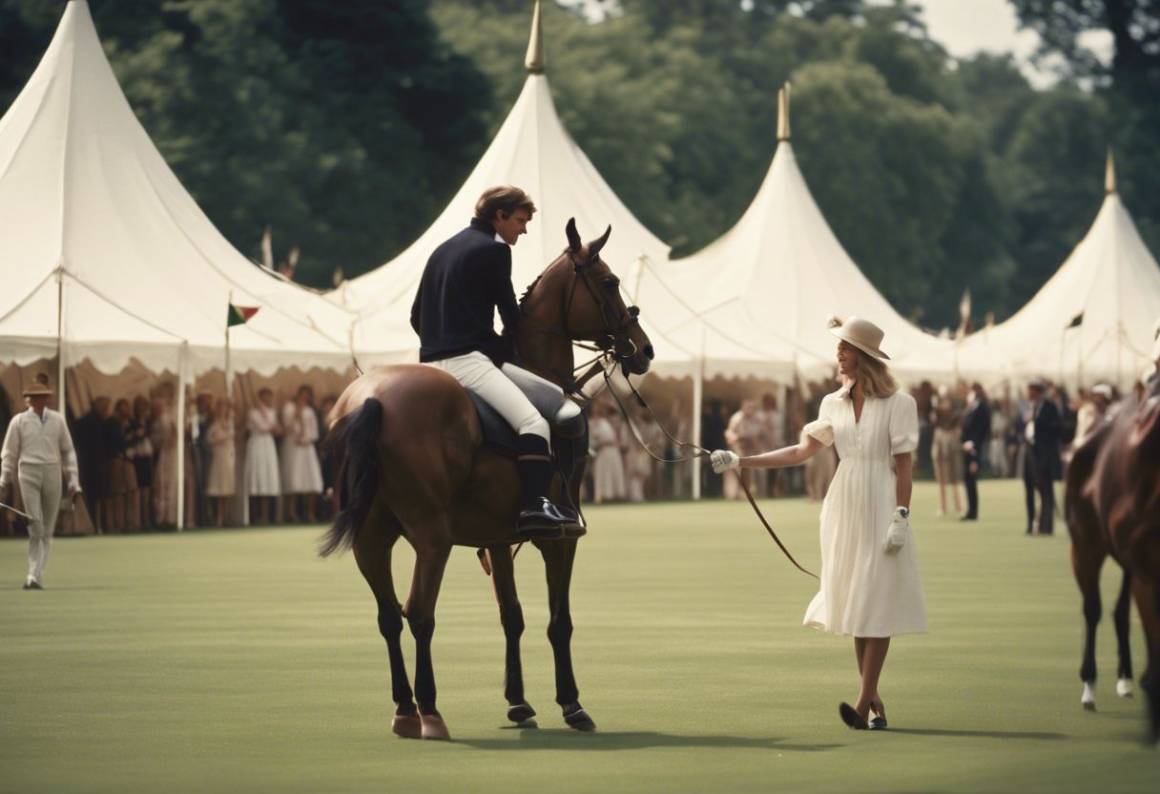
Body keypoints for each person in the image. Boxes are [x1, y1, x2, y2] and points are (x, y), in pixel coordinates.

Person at [710, 317, 925, 730]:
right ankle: (873, 697)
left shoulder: (900, 404)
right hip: (844, 502)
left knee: (876, 596)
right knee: (857, 598)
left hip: (881, 501)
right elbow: (799, 451)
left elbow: (904, 467)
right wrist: (741, 461)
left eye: (845, 347)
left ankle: (862, 704)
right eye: (839, 347)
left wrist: (902, 514)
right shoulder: (832, 403)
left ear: (862, 356)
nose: (838, 353)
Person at [409, 185, 580, 539]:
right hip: (468, 363)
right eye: (520, 220)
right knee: (535, 422)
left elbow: (416, 316)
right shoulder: (495, 251)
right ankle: (536, 506)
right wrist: (503, 348)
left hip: (427, 365)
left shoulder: (441, 249)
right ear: (498, 215)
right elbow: (511, 317)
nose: (524, 229)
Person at [0, 380, 81, 589]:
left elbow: (68, 450)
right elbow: (9, 453)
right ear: (28, 399)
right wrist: (4, 480)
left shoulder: (57, 420)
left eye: (42, 396)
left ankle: (36, 575)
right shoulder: (19, 421)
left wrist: (73, 480)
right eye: (34, 397)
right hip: (28, 471)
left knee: (47, 528)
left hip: (52, 471)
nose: (38, 400)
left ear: (47, 398)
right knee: (35, 525)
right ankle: (32, 575)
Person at [1021, 379, 1062, 536]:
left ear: (1037, 392)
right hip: (1029, 450)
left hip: (1043, 453)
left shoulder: (1049, 407)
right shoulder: (1029, 407)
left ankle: (1046, 526)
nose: (1028, 394)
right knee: (1029, 487)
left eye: (1031, 390)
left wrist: (1039, 424)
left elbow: (1057, 428)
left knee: (1045, 490)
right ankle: (1031, 523)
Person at [280, 386, 323, 522]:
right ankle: (290, 513)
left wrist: (306, 439)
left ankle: (310, 513)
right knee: (293, 477)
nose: (305, 397)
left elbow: (315, 432)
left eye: (307, 395)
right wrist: (296, 414)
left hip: (306, 446)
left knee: (311, 479)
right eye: (303, 394)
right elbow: (287, 426)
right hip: (293, 445)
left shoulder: (310, 411)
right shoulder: (289, 408)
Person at [245, 388, 282, 524]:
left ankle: (266, 516)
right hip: (257, 444)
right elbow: (263, 427)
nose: (269, 399)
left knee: (267, 478)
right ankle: (255, 516)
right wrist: (272, 426)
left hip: (268, 445)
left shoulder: (272, 412)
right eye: (266, 396)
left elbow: (277, 430)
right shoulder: (253, 412)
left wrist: (273, 426)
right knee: (257, 477)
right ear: (261, 397)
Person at [959, 383, 991, 521]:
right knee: (968, 479)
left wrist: (974, 443)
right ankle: (971, 510)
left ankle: (973, 511)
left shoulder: (982, 408)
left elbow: (982, 429)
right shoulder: (971, 407)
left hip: (974, 448)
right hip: (967, 448)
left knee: (972, 477)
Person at [930, 385, 963, 517]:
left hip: (952, 442)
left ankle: (959, 506)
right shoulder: (936, 413)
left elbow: (958, 428)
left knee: (954, 476)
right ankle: (942, 507)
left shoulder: (956, 414)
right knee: (941, 478)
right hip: (940, 440)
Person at [724, 399, 765, 500]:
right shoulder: (737, 418)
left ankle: (755, 494)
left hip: (753, 449)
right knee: (738, 472)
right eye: (748, 407)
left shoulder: (759, 418)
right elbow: (729, 432)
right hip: (739, 449)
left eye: (752, 407)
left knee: (754, 472)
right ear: (743, 407)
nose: (750, 410)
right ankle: (734, 495)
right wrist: (735, 438)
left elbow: (763, 433)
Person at [206, 398, 236, 527]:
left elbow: (232, 438)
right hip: (218, 457)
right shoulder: (214, 425)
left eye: (224, 408)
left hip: (228, 457)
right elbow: (209, 440)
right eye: (220, 407)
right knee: (218, 487)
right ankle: (217, 517)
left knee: (227, 488)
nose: (222, 410)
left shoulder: (230, 423)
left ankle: (225, 516)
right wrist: (222, 439)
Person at [589, 404, 626, 503]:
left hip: (613, 450)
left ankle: (616, 496)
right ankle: (603, 496)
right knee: (603, 473)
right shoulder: (592, 423)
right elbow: (592, 439)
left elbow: (614, 436)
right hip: (603, 450)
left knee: (615, 471)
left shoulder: (606, 422)